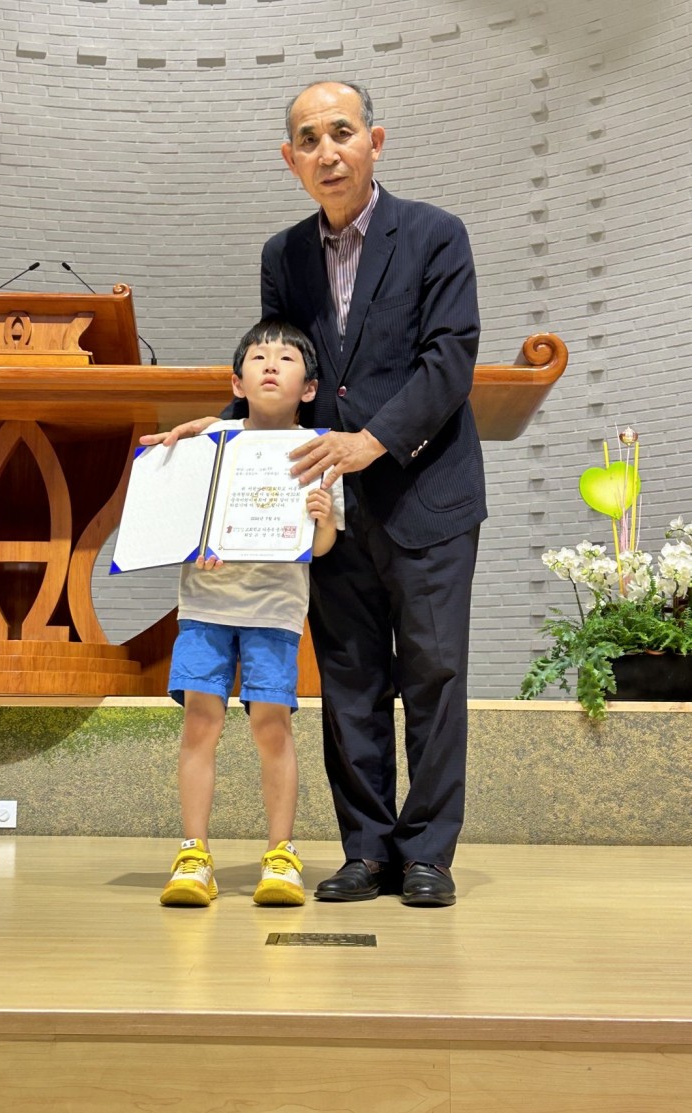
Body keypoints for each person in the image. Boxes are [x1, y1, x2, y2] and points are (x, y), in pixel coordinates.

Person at [147, 80, 485, 908]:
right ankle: (365, 849)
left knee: (433, 673)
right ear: (289, 159)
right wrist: (222, 432)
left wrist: (372, 441)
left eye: (341, 132)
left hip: (425, 493)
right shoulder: (283, 254)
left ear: (375, 140)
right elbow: (281, 367)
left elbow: (449, 357)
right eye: (308, 139)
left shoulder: (435, 234)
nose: (326, 151)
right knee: (348, 677)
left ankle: (427, 853)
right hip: (321, 502)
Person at [158, 319, 344, 909]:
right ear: (236, 382)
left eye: (286, 358)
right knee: (199, 724)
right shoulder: (209, 442)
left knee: (272, 727)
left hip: (274, 610)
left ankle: (281, 855)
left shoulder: (318, 449)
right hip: (205, 606)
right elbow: (178, 517)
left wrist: (323, 519)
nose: (270, 365)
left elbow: (320, 548)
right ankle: (193, 855)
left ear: (309, 388)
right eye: (258, 357)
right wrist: (193, 542)